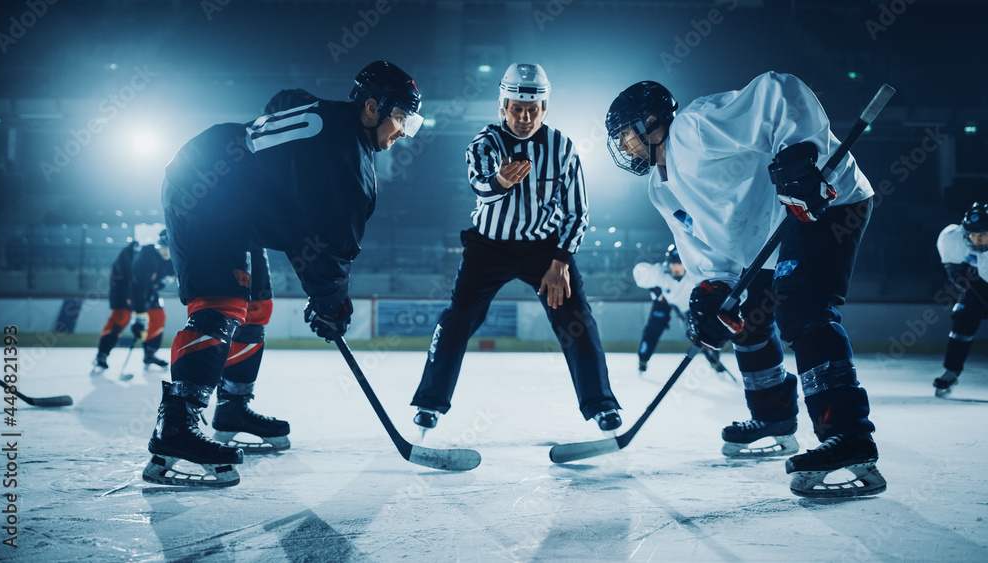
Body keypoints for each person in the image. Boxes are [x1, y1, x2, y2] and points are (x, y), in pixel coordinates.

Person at [143, 61, 424, 487]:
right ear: (372, 107)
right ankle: (176, 428)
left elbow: (283, 107)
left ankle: (233, 407)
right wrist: (330, 305)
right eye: (402, 117)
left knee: (257, 307)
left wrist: (327, 301)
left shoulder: (332, 122)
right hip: (201, 190)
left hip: (236, 201)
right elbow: (323, 247)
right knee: (221, 305)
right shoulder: (346, 159)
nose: (404, 130)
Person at [605, 73, 885, 498]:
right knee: (746, 323)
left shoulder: (694, 129)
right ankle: (774, 417)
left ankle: (850, 437)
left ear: (650, 120)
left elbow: (779, 91)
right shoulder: (660, 190)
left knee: (802, 307)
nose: (624, 146)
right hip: (772, 238)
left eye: (625, 134)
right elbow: (702, 248)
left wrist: (798, 159)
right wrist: (712, 291)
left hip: (826, 200)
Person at [409, 63, 621, 435]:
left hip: (545, 251)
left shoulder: (562, 147)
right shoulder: (484, 143)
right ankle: (429, 404)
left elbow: (577, 211)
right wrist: (501, 181)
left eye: (533, 109)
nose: (524, 117)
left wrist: (560, 261)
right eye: (516, 108)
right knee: (457, 320)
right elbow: (481, 188)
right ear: (502, 107)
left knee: (577, 322)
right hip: (488, 247)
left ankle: (601, 405)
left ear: (545, 108)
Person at [632, 244, 729, 375]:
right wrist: (653, 288)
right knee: (654, 326)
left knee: (700, 331)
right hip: (664, 300)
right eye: (673, 263)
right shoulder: (659, 273)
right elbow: (639, 272)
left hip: (688, 307)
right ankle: (643, 359)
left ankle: (713, 357)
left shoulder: (695, 275)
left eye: (680, 263)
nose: (676, 267)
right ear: (668, 263)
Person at [91, 230, 174, 376]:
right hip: (123, 284)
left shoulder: (176, 256)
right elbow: (137, 287)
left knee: (158, 315)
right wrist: (140, 317)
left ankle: (150, 353)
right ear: (159, 246)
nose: (167, 252)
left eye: (170, 248)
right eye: (164, 248)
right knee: (122, 316)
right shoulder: (146, 257)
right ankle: (102, 355)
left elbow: (168, 277)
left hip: (147, 287)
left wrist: (160, 284)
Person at [933, 202, 988, 397]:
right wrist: (957, 275)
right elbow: (953, 271)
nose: (978, 241)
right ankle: (951, 371)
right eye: (973, 235)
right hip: (978, 285)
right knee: (962, 320)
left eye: (983, 235)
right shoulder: (952, 238)